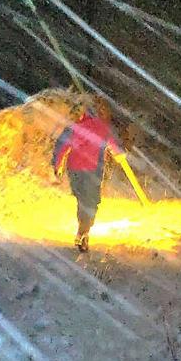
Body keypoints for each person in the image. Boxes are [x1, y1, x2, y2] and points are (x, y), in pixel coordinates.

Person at [52, 96, 123, 252]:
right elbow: (114, 147)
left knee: (82, 198)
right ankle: (84, 230)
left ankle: (82, 229)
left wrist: (58, 167)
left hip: (74, 169)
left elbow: (62, 148)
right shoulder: (103, 127)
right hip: (92, 170)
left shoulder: (75, 127)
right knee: (91, 201)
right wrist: (119, 155)